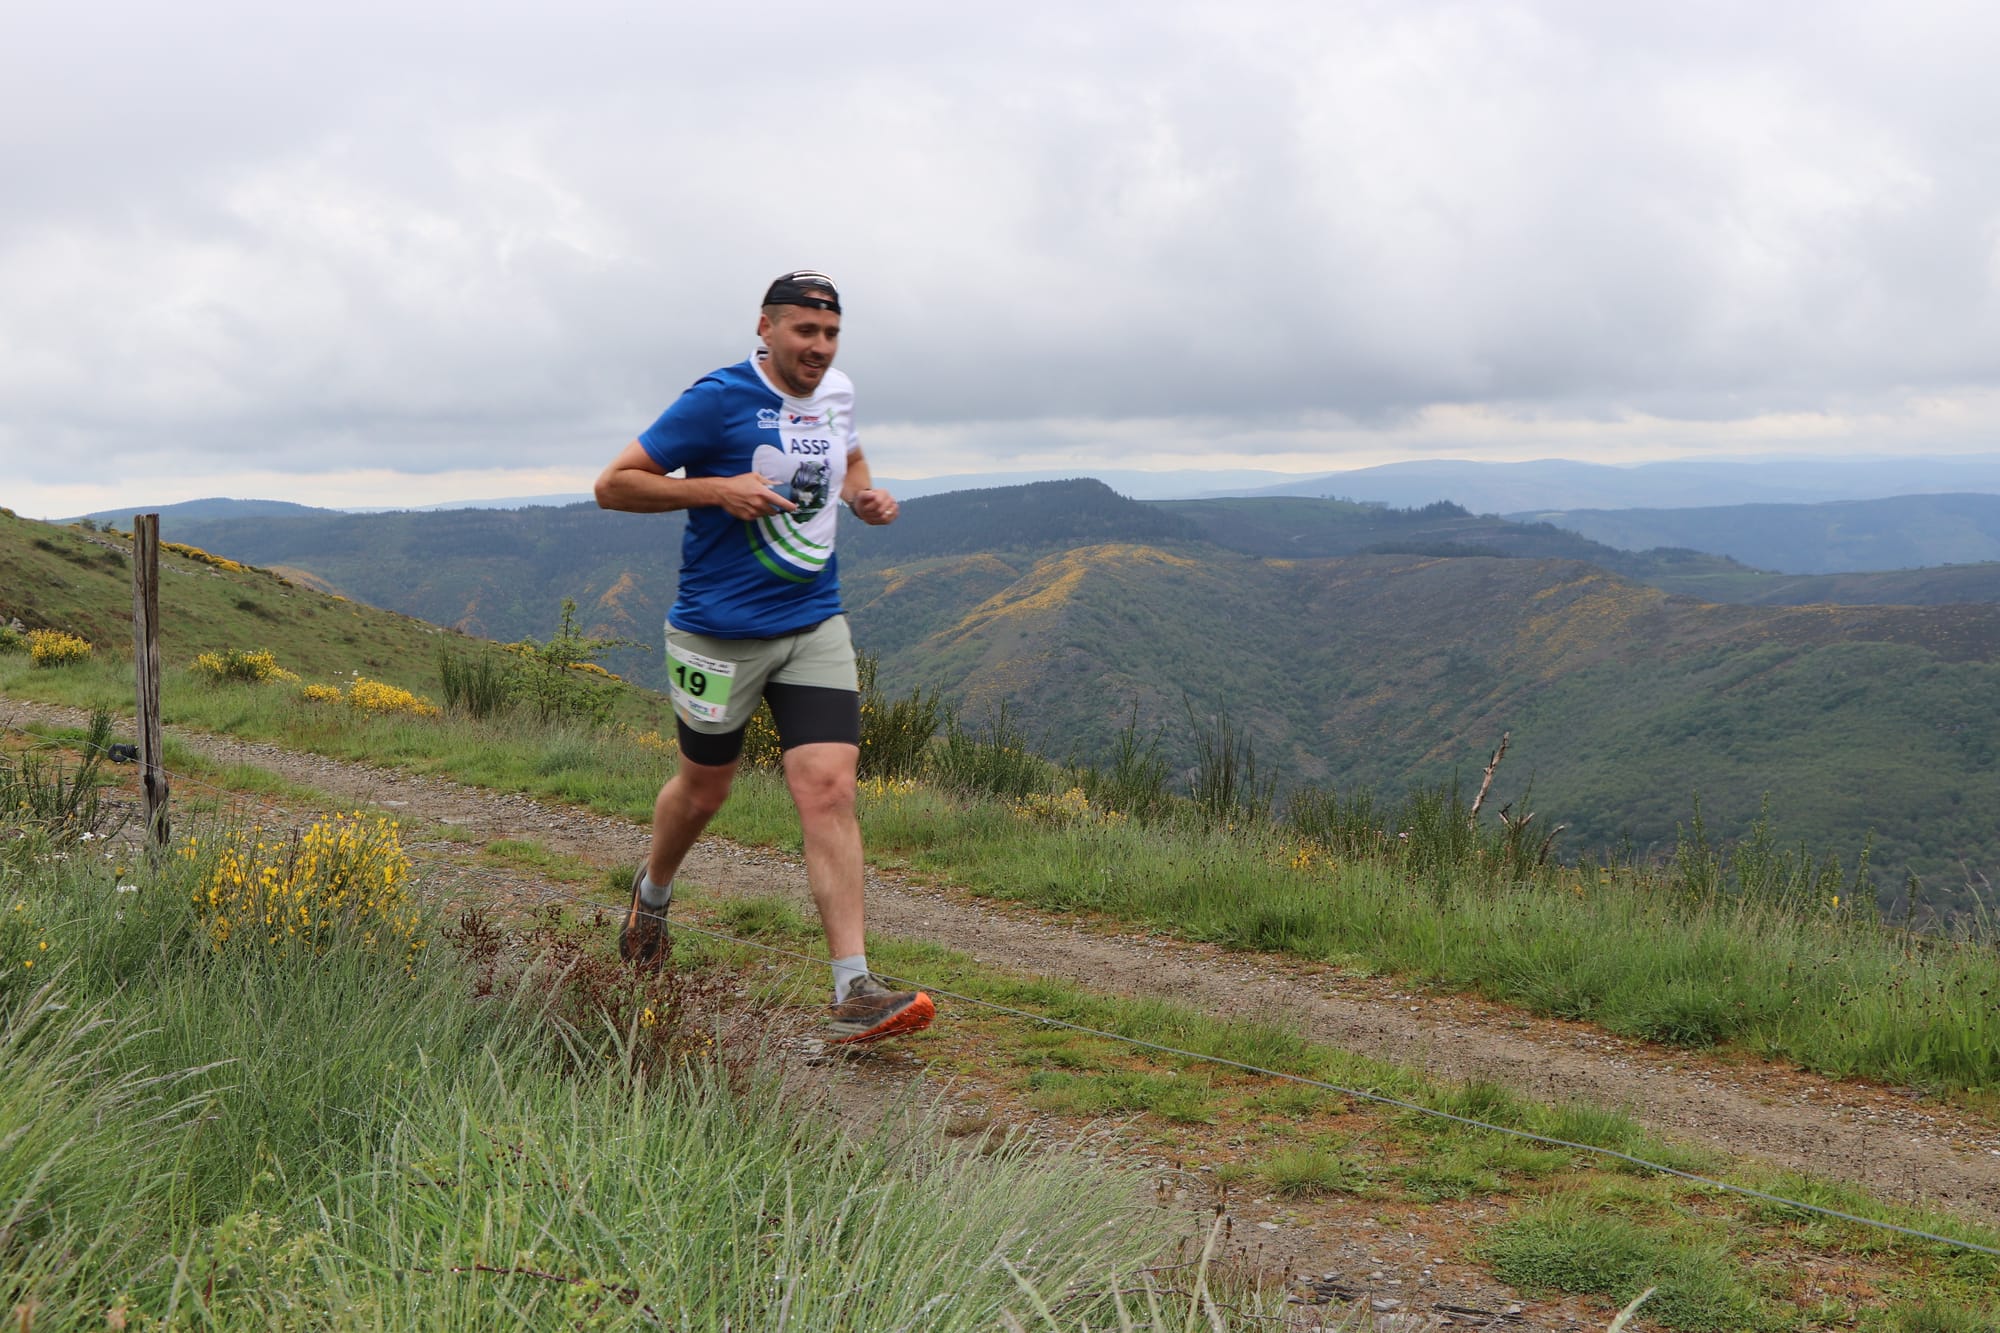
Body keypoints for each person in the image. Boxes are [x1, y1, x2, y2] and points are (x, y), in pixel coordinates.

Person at [593, 270, 933, 1045]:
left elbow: (848, 455)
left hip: (813, 621)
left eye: (830, 334)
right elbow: (614, 486)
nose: (818, 347)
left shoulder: (837, 391)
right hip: (717, 633)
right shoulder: (716, 398)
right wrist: (716, 490)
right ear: (766, 328)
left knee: (829, 786)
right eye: (803, 332)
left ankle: (854, 986)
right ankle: (652, 894)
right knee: (704, 789)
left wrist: (865, 495)